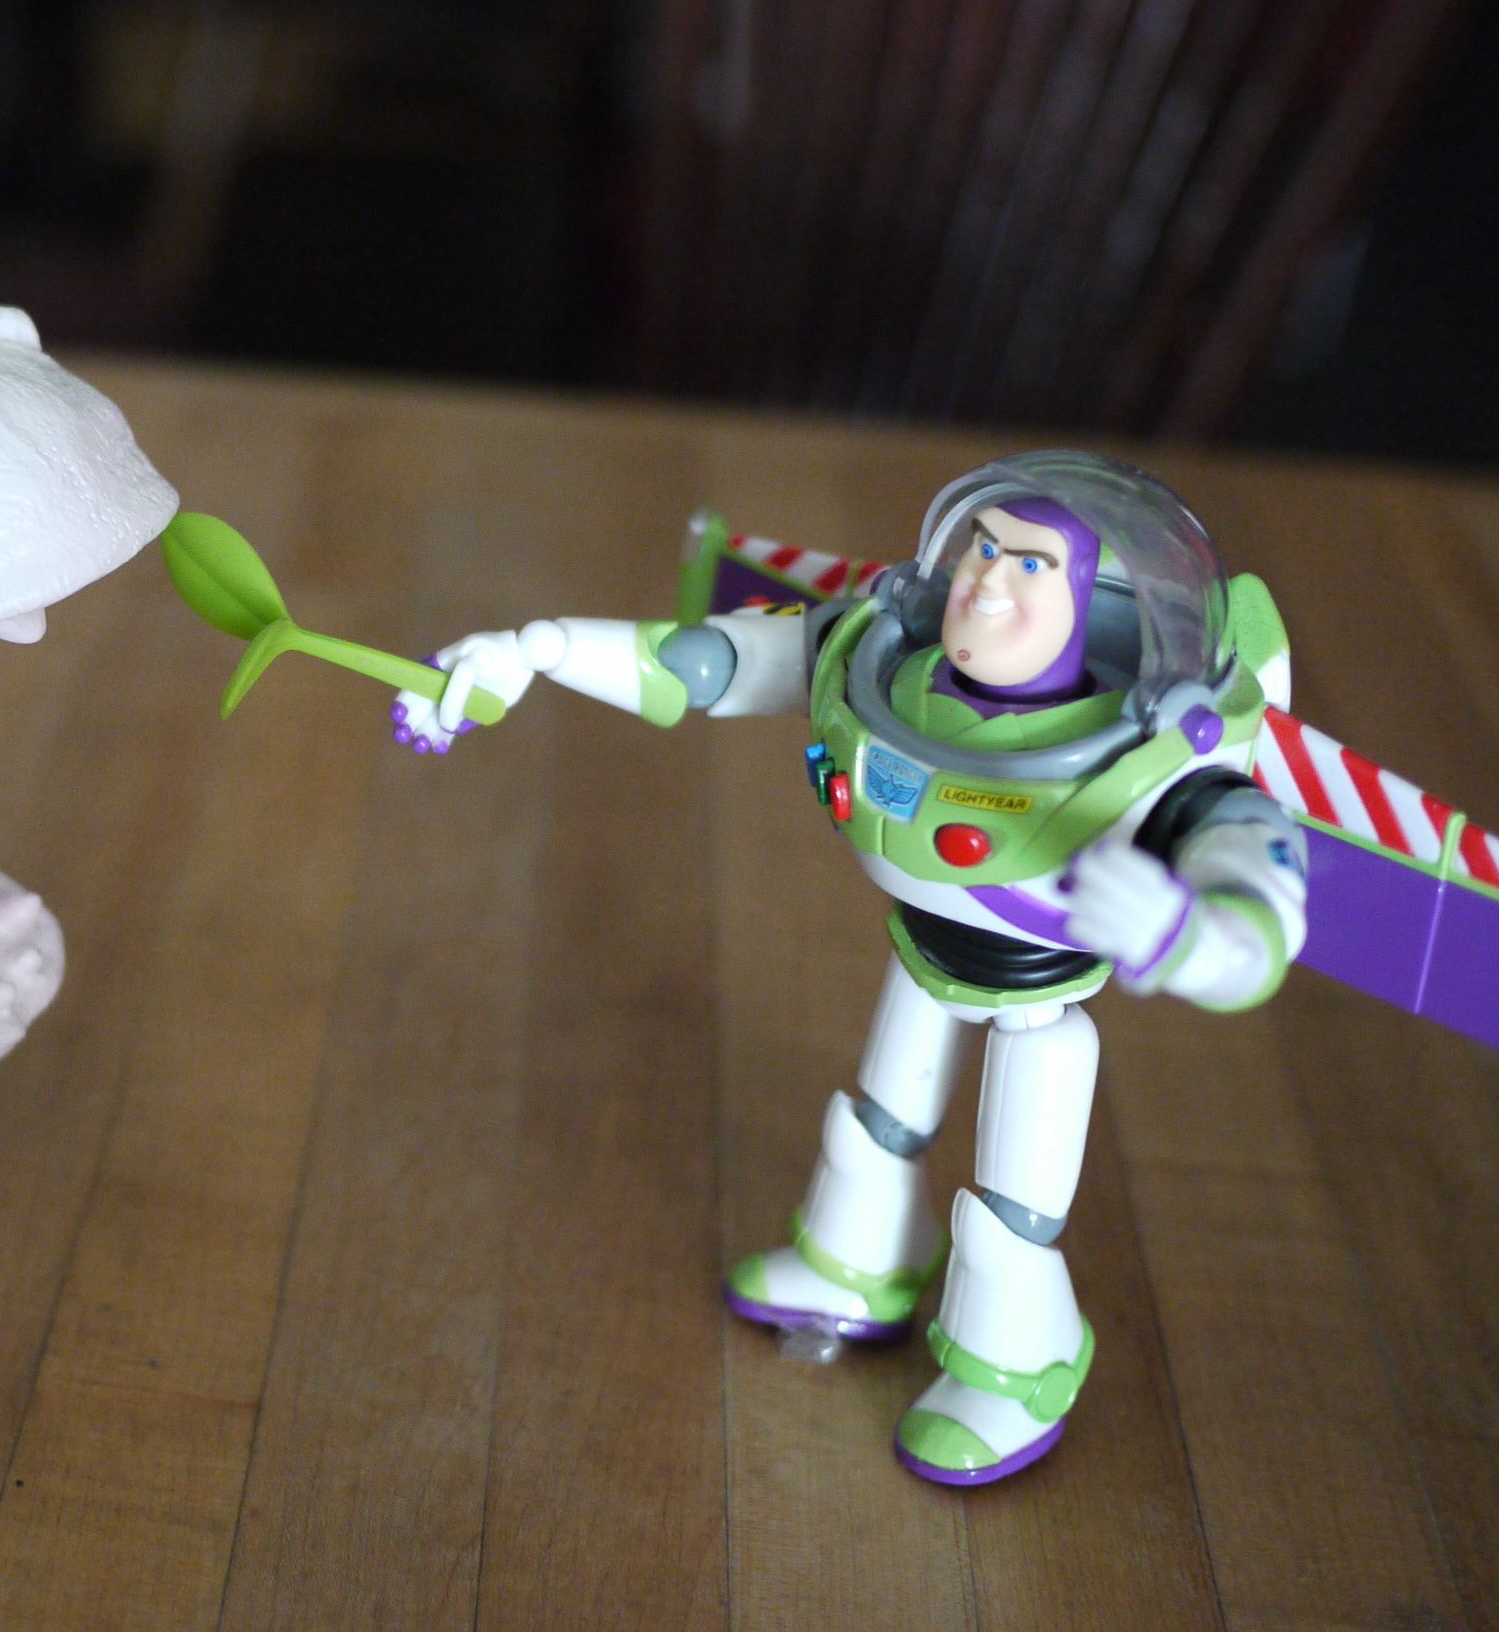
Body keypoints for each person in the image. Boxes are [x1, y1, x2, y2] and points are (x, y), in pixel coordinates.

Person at [391, 451, 1307, 1484]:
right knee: (877, 1120)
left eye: (1030, 566)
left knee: (1012, 1200)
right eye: (982, 548)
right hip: (923, 952)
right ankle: (853, 1264)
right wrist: (536, 650)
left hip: (1039, 999)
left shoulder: (1160, 756)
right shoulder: (878, 658)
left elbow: (1259, 885)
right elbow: (701, 661)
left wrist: (1189, 937)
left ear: (1088, 599)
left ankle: (1017, 1372)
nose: (986, 582)